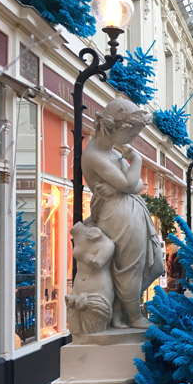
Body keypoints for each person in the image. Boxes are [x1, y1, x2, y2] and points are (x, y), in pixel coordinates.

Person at [82, 98, 165, 329]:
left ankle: (121, 309)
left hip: (130, 210)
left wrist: (125, 183)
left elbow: (136, 185)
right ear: (116, 128)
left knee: (154, 265)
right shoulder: (94, 155)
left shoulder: (113, 153)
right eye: (130, 136)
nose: (132, 141)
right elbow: (130, 185)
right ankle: (132, 315)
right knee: (129, 266)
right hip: (117, 215)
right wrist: (136, 160)